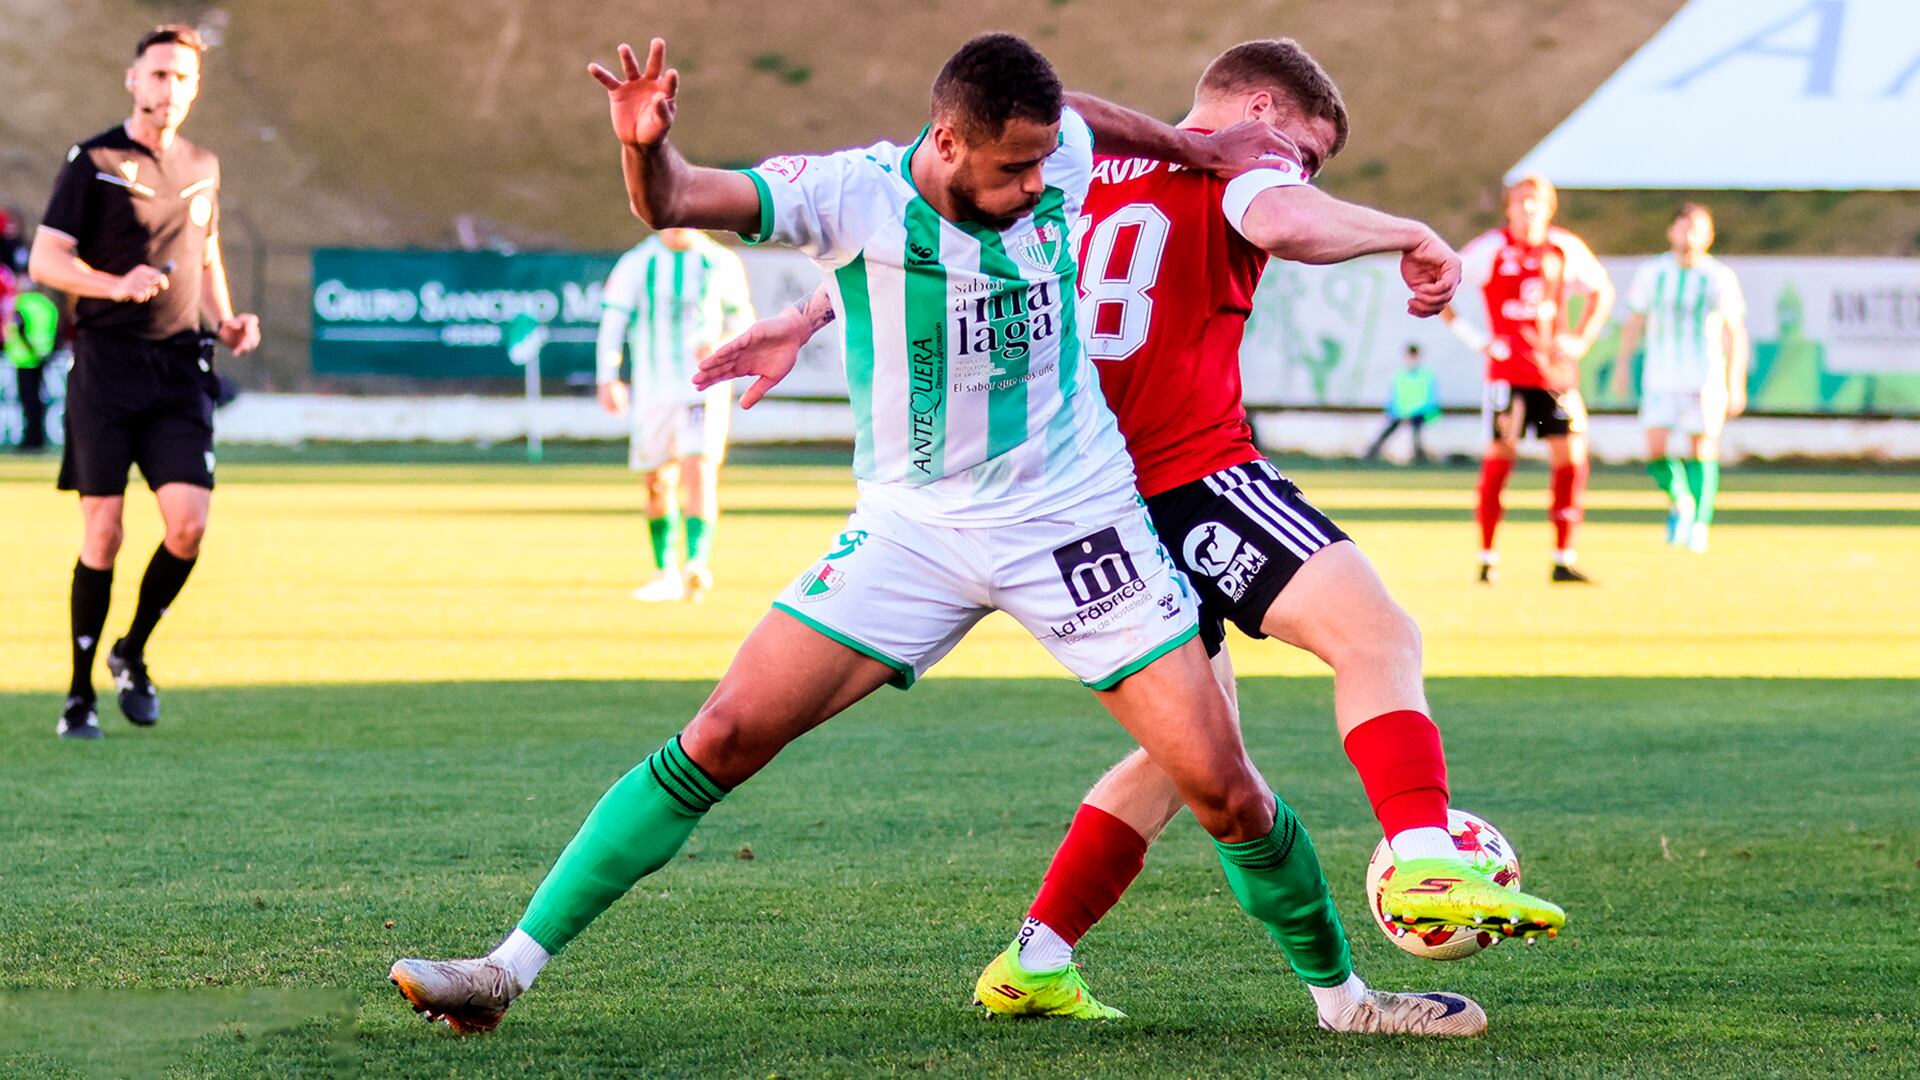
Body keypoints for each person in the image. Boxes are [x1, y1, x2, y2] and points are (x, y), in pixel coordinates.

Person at [387, 32, 1370, 1034]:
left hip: (1075, 521)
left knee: (1223, 790)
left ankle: (1348, 1003)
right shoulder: (847, 195)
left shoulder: (1053, 151)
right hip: (914, 531)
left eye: (1045, 159)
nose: (1041, 183)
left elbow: (1079, 115)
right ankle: (502, 972)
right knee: (720, 734)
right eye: (1014, 167)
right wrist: (645, 148)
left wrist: (1187, 148)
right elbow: (680, 200)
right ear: (947, 141)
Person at [697, 39, 1566, 1035]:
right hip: (1190, 471)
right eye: (1310, 149)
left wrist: (810, 313)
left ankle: (1037, 960)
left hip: (1083, 503)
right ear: (1260, 110)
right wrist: (1409, 233)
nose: (1302, 167)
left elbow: (923, 239)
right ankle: (1425, 858)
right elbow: (1278, 215)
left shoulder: (1062, 164)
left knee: (1186, 754)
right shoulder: (1247, 157)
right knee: (1378, 636)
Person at [28, 24, 261, 739]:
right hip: (106, 370)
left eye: (184, 78)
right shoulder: (93, 160)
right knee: (105, 532)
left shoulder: (202, 164)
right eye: (158, 75)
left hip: (179, 371)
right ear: (134, 80)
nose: (170, 89)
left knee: (188, 525)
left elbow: (208, 248)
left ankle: (132, 651)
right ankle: (78, 696)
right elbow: (45, 261)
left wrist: (224, 319)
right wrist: (110, 283)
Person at [1444, 175, 1613, 584]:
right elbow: (1443, 287)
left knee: (1572, 459)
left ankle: (1563, 557)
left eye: (1537, 201)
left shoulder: (1563, 248)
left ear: (1549, 207)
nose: (1529, 208)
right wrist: (1479, 341)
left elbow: (1601, 291)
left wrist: (1581, 338)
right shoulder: (1492, 249)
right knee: (1501, 459)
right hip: (1508, 375)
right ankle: (1487, 558)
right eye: (1522, 201)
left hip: (1554, 374)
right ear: (1509, 207)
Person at [596, 227, 754, 600]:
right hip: (653, 390)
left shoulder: (719, 262)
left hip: (703, 388)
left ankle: (696, 564)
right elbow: (613, 321)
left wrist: (721, 344)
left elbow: (743, 319)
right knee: (656, 481)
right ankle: (663, 571)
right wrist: (608, 378)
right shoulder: (638, 263)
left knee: (698, 468)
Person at [1613, 203, 1748, 552]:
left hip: (1703, 376)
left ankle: (1700, 523)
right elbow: (1634, 321)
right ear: (1671, 231)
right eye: (1683, 229)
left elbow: (1734, 331)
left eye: (1697, 230)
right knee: (1655, 449)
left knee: (1701, 447)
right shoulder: (1652, 272)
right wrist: (1623, 364)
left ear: (1709, 235)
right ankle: (1681, 501)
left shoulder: (1719, 276)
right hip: (1660, 376)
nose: (1689, 237)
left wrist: (1736, 381)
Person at [4, 287, 61, 450]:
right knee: (37, 400)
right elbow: (56, 328)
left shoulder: (22, 303)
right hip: (42, 357)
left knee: (27, 400)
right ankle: (37, 437)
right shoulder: (46, 304)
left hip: (24, 359)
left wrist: (30, 350)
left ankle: (30, 438)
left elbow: (19, 327)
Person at [1365, 343, 1440, 462]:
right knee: (1386, 432)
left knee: (1417, 436)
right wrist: (1395, 412)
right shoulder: (1400, 375)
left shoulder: (1426, 376)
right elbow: (1394, 397)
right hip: (1400, 413)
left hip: (1418, 414)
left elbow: (1429, 399)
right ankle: (1369, 455)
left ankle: (1420, 460)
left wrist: (1419, 413)